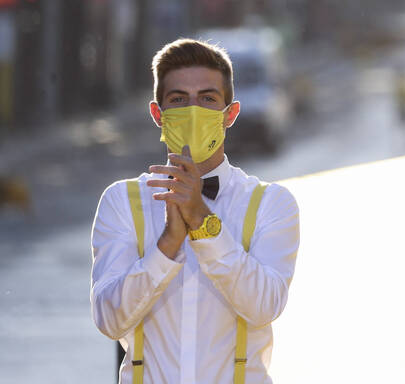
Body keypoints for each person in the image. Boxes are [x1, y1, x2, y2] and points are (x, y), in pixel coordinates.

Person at [90, 38, 300, 384]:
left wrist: (203, 223)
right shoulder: (121, 201)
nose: (193, 111)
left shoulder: (271, 204)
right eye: (178, 100)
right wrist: (167, 246)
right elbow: (110, 320)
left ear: (228, 114)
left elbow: (264, 306)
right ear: (158, 115)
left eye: (207, 99)